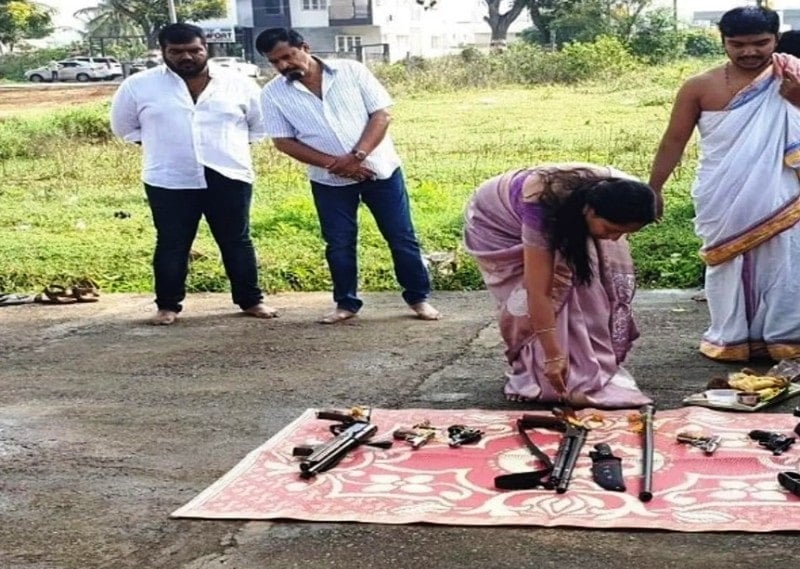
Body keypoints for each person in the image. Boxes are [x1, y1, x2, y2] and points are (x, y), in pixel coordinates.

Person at [255, 28, 440, 324]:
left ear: (304, 46)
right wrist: (336, 165)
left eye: (288, 56)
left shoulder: (351, 71)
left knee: (401, 236)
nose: (284, 65)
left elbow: (382, 115)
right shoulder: (273, 94)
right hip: (329, 181)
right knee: (339, 242)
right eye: (275, 62)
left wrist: (357, 157)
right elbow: (283, 142)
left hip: (380, 170)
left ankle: (418, 298)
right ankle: (346, 303)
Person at [649, 6, 800, 361]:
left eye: (760, 43)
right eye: (738, 44)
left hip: (781, 189)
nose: (749, 52)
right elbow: (674, 140)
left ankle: (784, 337)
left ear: (776, 39)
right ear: (723, 42)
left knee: (786, 260)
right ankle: (730, 339)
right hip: (722, 192)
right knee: (726, 264)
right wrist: (654, 188)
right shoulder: (699, 86)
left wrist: (797, 99)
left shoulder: (793, 75)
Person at [110, 23, 277, 326]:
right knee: (172, 242)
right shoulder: (138, 86)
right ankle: (168, 306)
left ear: (205, 48)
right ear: (162, 51)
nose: (186, 57)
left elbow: (259, 126)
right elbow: (125, 128)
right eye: (176, 52)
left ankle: (251, 301)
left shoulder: (238, 83)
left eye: (194, 50)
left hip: (229, 174)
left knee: (236, 240)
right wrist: (170, 146)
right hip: (169, 178)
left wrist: (223, 148)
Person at [463, 163, 657, 408]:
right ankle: (540, 370)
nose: (615, 239)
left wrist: (607, 231)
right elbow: (538, 292)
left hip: (562, 209)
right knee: (547, 288)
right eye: (611, 230)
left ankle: (593, 363)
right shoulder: (542, 209)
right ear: (589, 210)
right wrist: (554, 356)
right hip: (498, 223)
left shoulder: (625, 189)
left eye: (625, 233)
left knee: (590, 290)